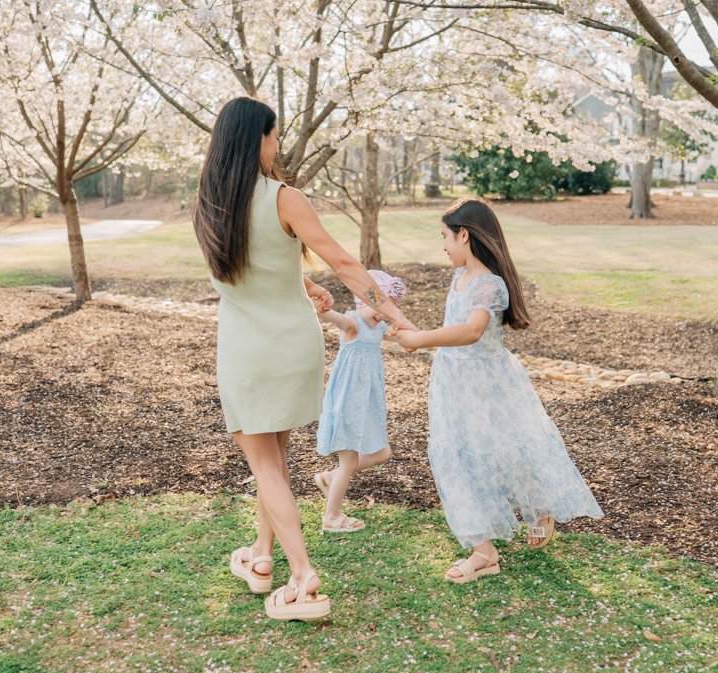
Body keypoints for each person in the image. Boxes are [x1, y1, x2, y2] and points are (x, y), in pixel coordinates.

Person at [193, 96, 413, 619]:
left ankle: (302, 578)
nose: (276, 148)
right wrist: (395, 316)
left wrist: (305, 282)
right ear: (256, 141)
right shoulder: (285, 198)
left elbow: (238, 273)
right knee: (274, 462)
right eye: (273, 138)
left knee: (265, 463)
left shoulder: (209, 204)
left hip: (248, 351)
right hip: (295, 347)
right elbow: (340, 259)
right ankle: (262, 557)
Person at [392, 198, 604, 583]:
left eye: (445, 236)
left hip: (490, 385)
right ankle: (483, 550)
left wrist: (420, 339)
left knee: (509, 449)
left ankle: (539, 509)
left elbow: (472, 331)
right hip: (453, 385)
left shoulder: (491, 285)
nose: (442, 246)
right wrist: (409, 330)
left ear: (464, 235)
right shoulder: (458, 279)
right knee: (455, 458)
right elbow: (453, 327)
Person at [313, 270, 407, 533]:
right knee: (349, 462)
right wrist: (322, 307)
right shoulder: (354, 324)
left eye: (387, 308)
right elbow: (333, 317)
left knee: (382, 452)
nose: (382, 313)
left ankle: (329, 478)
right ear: (362, 301)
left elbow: (399, 334)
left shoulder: (378, 327)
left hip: (365, 406)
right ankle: (331, 517)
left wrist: (408, 337)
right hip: (346, 402)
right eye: (378, 306)